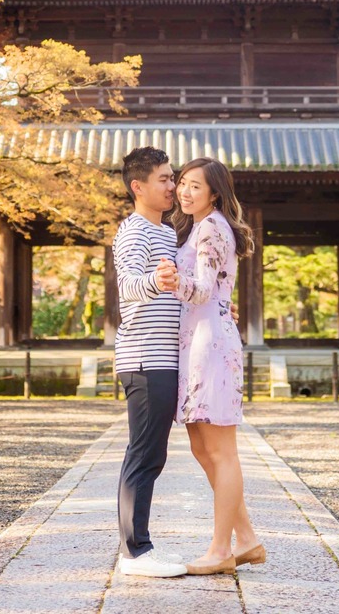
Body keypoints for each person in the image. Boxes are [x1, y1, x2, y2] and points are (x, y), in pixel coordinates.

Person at [163, 157, 264, 576]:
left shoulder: (211, 227)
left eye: (195, 186)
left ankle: (221, 550)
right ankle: (247, 539)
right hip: (198, 342)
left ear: (215, 193)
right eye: (182, 183)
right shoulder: (198, 227)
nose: (184, 192)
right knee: (203, 449)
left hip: (211, 346)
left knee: (221, 451)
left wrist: (172, 281)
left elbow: (203, 290)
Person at [111, 146, 188, 578]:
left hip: (164, 358)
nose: (172, 186)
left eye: (172, 177)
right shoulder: (134, 231)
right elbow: (127, 286)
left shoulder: (167, 232)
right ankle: (134, 553)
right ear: (138, 186)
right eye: (164, 179)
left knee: (152, 454)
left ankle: (138, 546)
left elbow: (177, 292)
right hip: (144, 358)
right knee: (144, 454)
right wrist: (156, 280)